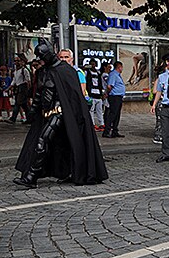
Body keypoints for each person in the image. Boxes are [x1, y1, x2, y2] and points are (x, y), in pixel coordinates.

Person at [13, 38, 108, 188]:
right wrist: (32, 112)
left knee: (42, 141)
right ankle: (66, 171)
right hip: (48, 113)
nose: (41, 59)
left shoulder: (67, 71)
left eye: (43, 56)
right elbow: (39, 93)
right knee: (59, 144)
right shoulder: (44, 71)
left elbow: (74, 96)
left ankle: (31, 177)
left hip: (61, 113)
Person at [151, 52, 169, 163]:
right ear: (167, 62)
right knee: (165, 132)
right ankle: (166, 154)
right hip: (165, 105)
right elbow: (159, 91)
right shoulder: (162, 76)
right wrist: (154, 104)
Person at [102, 61, 126, 138]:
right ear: (119, 67)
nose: (122, 69)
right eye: (121, 67)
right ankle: (106, 131)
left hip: (119, 97)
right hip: (114, 97)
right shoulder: (113, 75)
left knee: (117, 114)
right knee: (112, 114)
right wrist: (107, 93)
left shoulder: (117, 75)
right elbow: (109, 86)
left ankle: (115, 131)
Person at [7, 53, 31, 124]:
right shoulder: (15, 71)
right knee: (24, 105)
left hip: (23, 88)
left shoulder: (24, 70)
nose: (16, 62)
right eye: (15, 61)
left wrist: (28, 91)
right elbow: (14, 81)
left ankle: (13, 118)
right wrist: (9, 88)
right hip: (18, 88)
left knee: (17, 104)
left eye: (18, 61)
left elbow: (28, 81)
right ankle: (29, 118)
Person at [85, 59, 105, 131]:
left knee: (99, 110)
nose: (93, 66)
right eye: (91, 64)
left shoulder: (98, 72)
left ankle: (101, 124)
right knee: (91, 110)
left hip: (98, 94)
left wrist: (102, 93)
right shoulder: (87, 72)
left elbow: (100, 83)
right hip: (91, 94)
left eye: (94, 64)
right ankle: (92, 124)